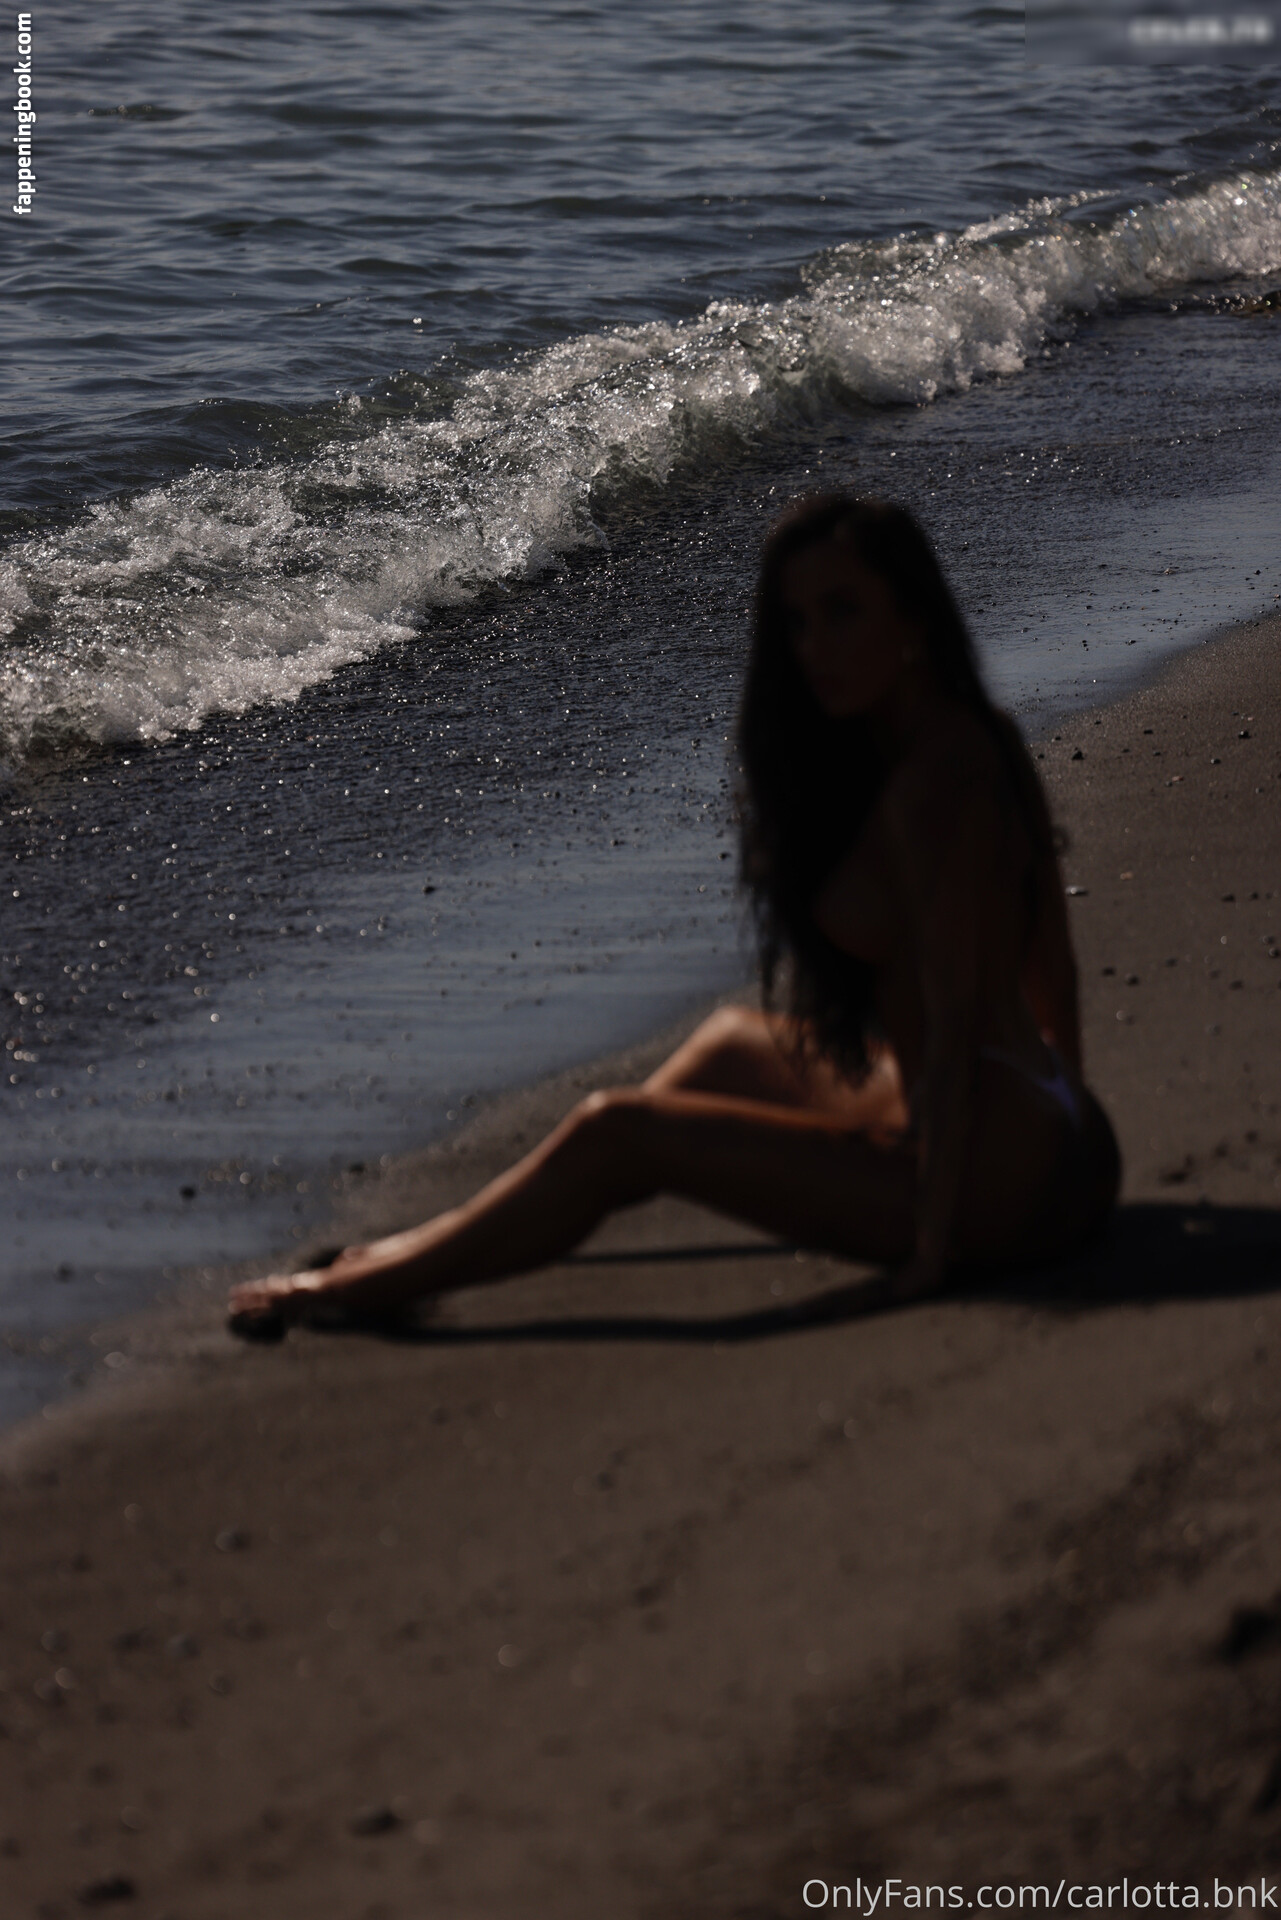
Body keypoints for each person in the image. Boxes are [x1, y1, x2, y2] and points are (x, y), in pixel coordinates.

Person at [228, 494, 1120, 1339]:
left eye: (844, 611)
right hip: (1049, 1125)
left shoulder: (928, 789)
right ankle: (451, 1238)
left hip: (988, 1189)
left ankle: (350, 1286)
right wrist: (1073, 1128)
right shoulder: (976, 734)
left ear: (913, 615)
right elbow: (1054, 963)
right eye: (796, 622)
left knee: (616, 1132)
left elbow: (954, 1025)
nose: (815, 647)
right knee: (727, 1045)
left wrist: (931, 1250)